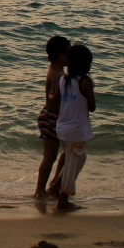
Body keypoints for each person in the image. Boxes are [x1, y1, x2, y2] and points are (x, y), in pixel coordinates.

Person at [54, 44, 96, 211]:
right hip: (76, 131)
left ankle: (55, 186)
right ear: (84, 65)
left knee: (77, 159)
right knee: (74, 163)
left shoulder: (63, 79)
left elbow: (56, 99)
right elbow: (92, 107)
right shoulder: (84, 82)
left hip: (62, 128)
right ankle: (63, 201)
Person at [34, 35, 70, 198]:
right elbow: (53, 97)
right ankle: (41, 190)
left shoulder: (57, 71)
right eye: (67, 53)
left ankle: (53, 184)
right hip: (52, 118)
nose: (70, 57)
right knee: (50, 157)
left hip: (52, 117)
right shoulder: (58, 75)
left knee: (66, 152)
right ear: (59, 55)